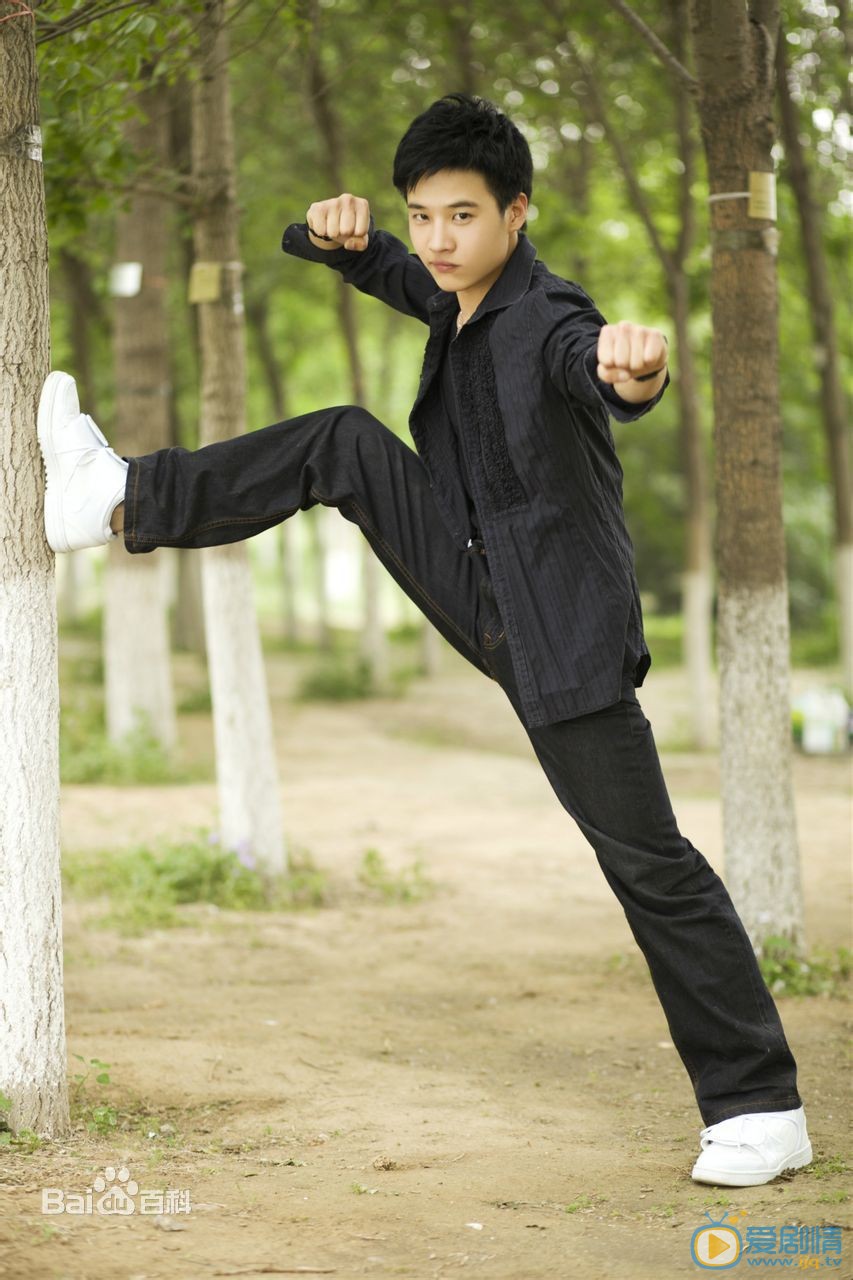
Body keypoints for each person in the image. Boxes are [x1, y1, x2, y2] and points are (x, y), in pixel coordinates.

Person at [37, 93, 811, 1187]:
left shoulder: (545, 317)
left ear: (517, 214)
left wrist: (637, 368)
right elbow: (393, 271)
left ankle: (761, 1105)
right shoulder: (459, 294)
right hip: (481, 582)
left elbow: (600, 365)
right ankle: (117, 497)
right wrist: (333, 236)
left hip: (561, 635)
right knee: (343, 443)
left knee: (652, 863)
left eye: (461, 216)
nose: (439, 241)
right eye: (423, 215)